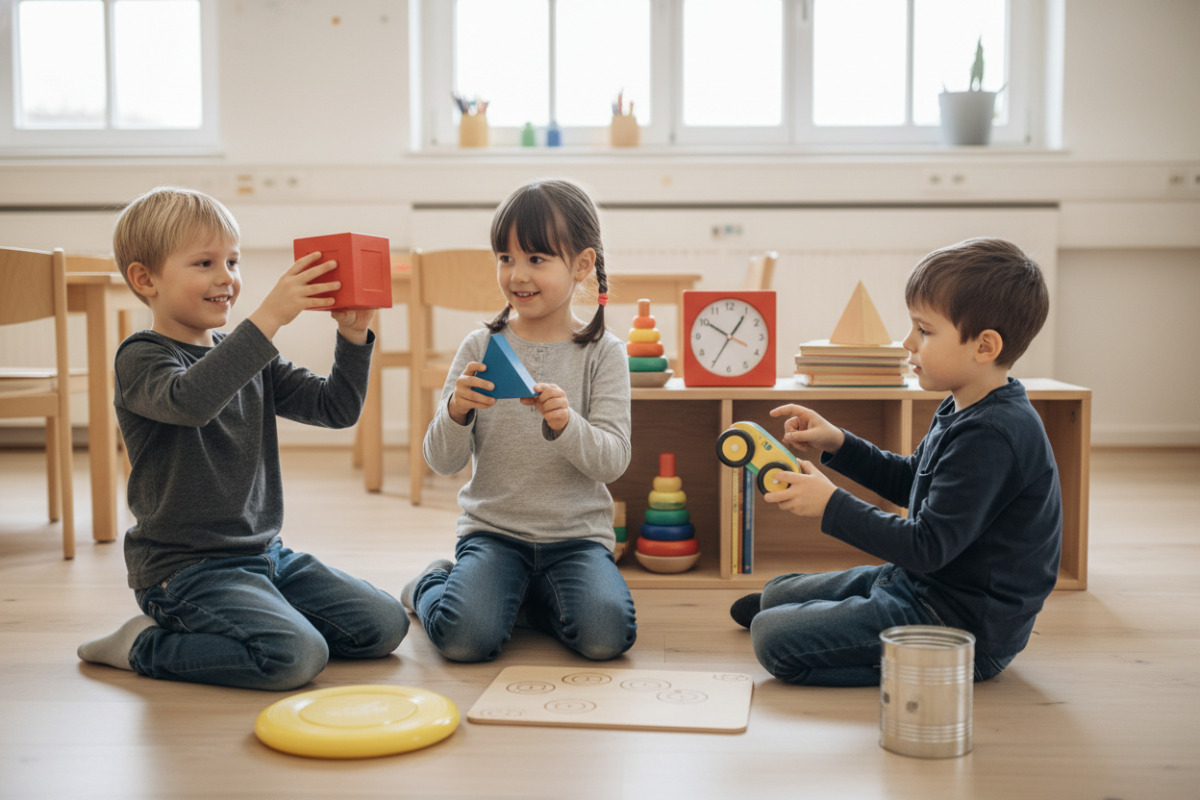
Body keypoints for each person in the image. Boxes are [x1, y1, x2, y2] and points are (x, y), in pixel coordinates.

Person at [76, 187, 407, 690]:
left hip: (266, 556)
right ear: (145, 279)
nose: (226, 278)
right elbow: (191, 400)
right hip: (183, 571)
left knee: (385, 625)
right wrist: (270, 317)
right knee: (295, 657)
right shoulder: (140, 357)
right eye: (204, 263)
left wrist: (353, 337)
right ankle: (143, 644)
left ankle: (261, 616)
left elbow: (334, 409)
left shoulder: (247, 354)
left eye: (232, 261)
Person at [731, 237, 1061, 686]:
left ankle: (918, 662)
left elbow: (926, 546)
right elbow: (910, 480)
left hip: (959, 627)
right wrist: (838, 442)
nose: (907, 342)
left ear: (984, 346)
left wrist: (830, 505)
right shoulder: (964, 405)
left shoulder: (994, 435)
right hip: (923, 582)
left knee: (771, 639)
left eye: (924, 331)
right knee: (775, 593)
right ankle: (823, 615)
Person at [400, 178, 636, 662]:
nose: (517, 274)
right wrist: (456, 412)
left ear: (582, 265)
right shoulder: (479, 346)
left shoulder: (604, 353)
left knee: (605, 638)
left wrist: (568, 425)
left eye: (536, 258)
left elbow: (613, 462)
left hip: (577, 540)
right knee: (465, 641)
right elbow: (442, 462)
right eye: (506, 258)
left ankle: (518, 604)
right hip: (493, 536)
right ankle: (431, 583)